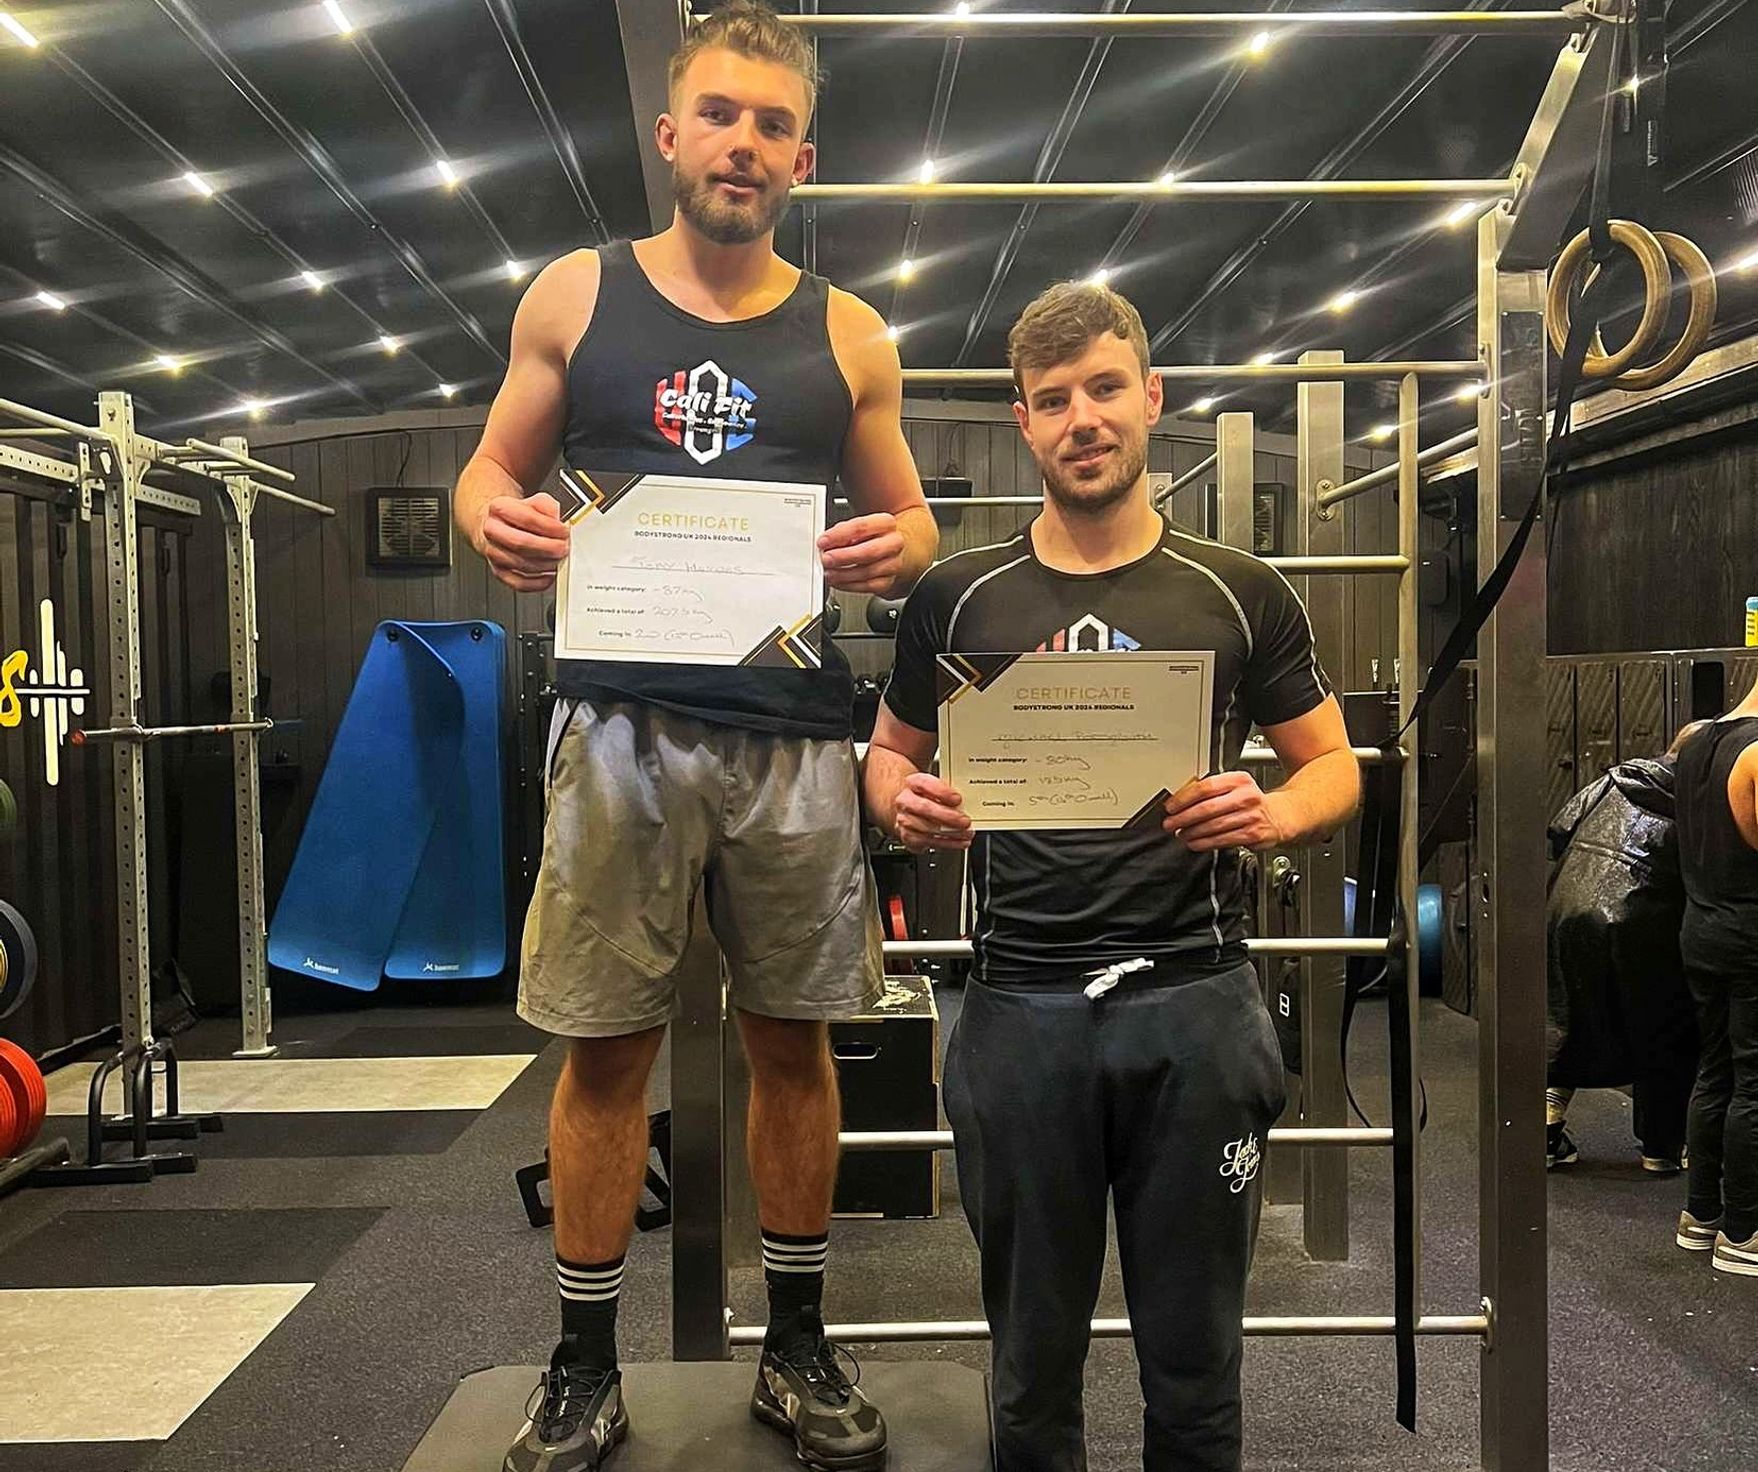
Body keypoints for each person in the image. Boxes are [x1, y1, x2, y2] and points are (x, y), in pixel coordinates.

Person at [453, 5, 937, 1468]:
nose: (745, 142)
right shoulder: (575, 297)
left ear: (804, 154)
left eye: (773, 123)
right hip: (616, 726)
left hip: (792, 734)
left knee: (794, 1040)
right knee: (605, 1051)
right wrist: (498, 520)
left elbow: (913, 519)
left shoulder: (849, 331)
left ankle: (794, 1347)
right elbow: (487, 471)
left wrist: (891, 551)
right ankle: (582, 1363)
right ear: (670, 135)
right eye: (719, 114)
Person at [862, 281, 1361, 1472]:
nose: (1080, 418)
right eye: (1052, 400)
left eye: (1101, 389)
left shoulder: (1240, 590)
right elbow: (887, 755)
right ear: (1023, 425)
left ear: (1150, 397)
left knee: (1196, 1367)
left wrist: (1275, 810)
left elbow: (1334, 763)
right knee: (1030, 1370)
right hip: (1020, 1006)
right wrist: (900, 800)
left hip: (1195, 1004)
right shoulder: (959, 596)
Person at [1543, 724, 1705, 1174]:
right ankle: (1660, 1147)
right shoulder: (1694, 800)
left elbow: (1559, 827)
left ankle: (1546, 1126)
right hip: (1639, 918)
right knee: (1663, 1028)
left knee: (1563, 1018)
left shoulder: (1616, 778)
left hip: (1567, 909)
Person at [1674, 674, 1758, 1276]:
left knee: (1715, 1072)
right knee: (1754, 1085)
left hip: (1699, 928)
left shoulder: (1695, 739)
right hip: (1749, 937)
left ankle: (1700, 1216)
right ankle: (1745, 1232)